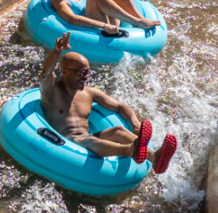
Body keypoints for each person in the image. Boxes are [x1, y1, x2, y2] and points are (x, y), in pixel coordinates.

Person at [40, 34, 177, 174]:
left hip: (86, 137)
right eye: (81, 73)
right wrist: (57, 51)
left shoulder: (90, 93)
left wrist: (135, 123)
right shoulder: (52, 90)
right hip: (65, 142)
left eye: (88, 72)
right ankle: (131, 150)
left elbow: (120, 107)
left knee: (118, 131)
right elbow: (45, 72)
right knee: (91, 141)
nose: (86, 77)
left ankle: (154, 157)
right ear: (64, 71)